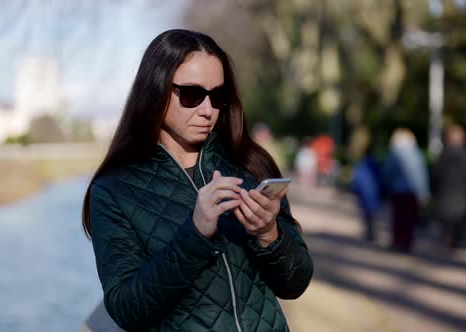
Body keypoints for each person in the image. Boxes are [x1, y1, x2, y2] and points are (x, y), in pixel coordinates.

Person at [81, 29, 313, 332]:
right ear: (157, 89)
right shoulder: (113, 190)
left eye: (217, 96)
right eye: (192, 95)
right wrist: (195, 234)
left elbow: (295, 284)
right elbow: (127, 311)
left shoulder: (251, 164)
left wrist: (269, 235)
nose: (207, 110)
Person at [383, 128, 429, 252]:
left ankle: (397, 241)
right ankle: (407, 243)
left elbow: (388, 172)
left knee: (398, 217)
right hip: (412, 192)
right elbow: (421, 175)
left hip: (398, 191)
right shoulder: (417, 153)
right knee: (409, 219)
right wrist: (424, 193)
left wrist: (387, 185)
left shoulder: (394, 153)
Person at [432, 124, 466, 249]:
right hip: (462, 195)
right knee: (458, 221)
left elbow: (436, 175)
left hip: (445, 194)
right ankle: (455, 241)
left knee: (446, 220)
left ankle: (447, 241)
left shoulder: (442, 155)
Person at [350, 142, 383, 242]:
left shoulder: (361, 164)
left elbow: (357, 179)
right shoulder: (375, 164)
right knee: (372, 214)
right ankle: (372, 233)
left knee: (366, 215)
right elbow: (381, 178)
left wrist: (355, 189)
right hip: (373, 193)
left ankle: (370, 233)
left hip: (364, 194)